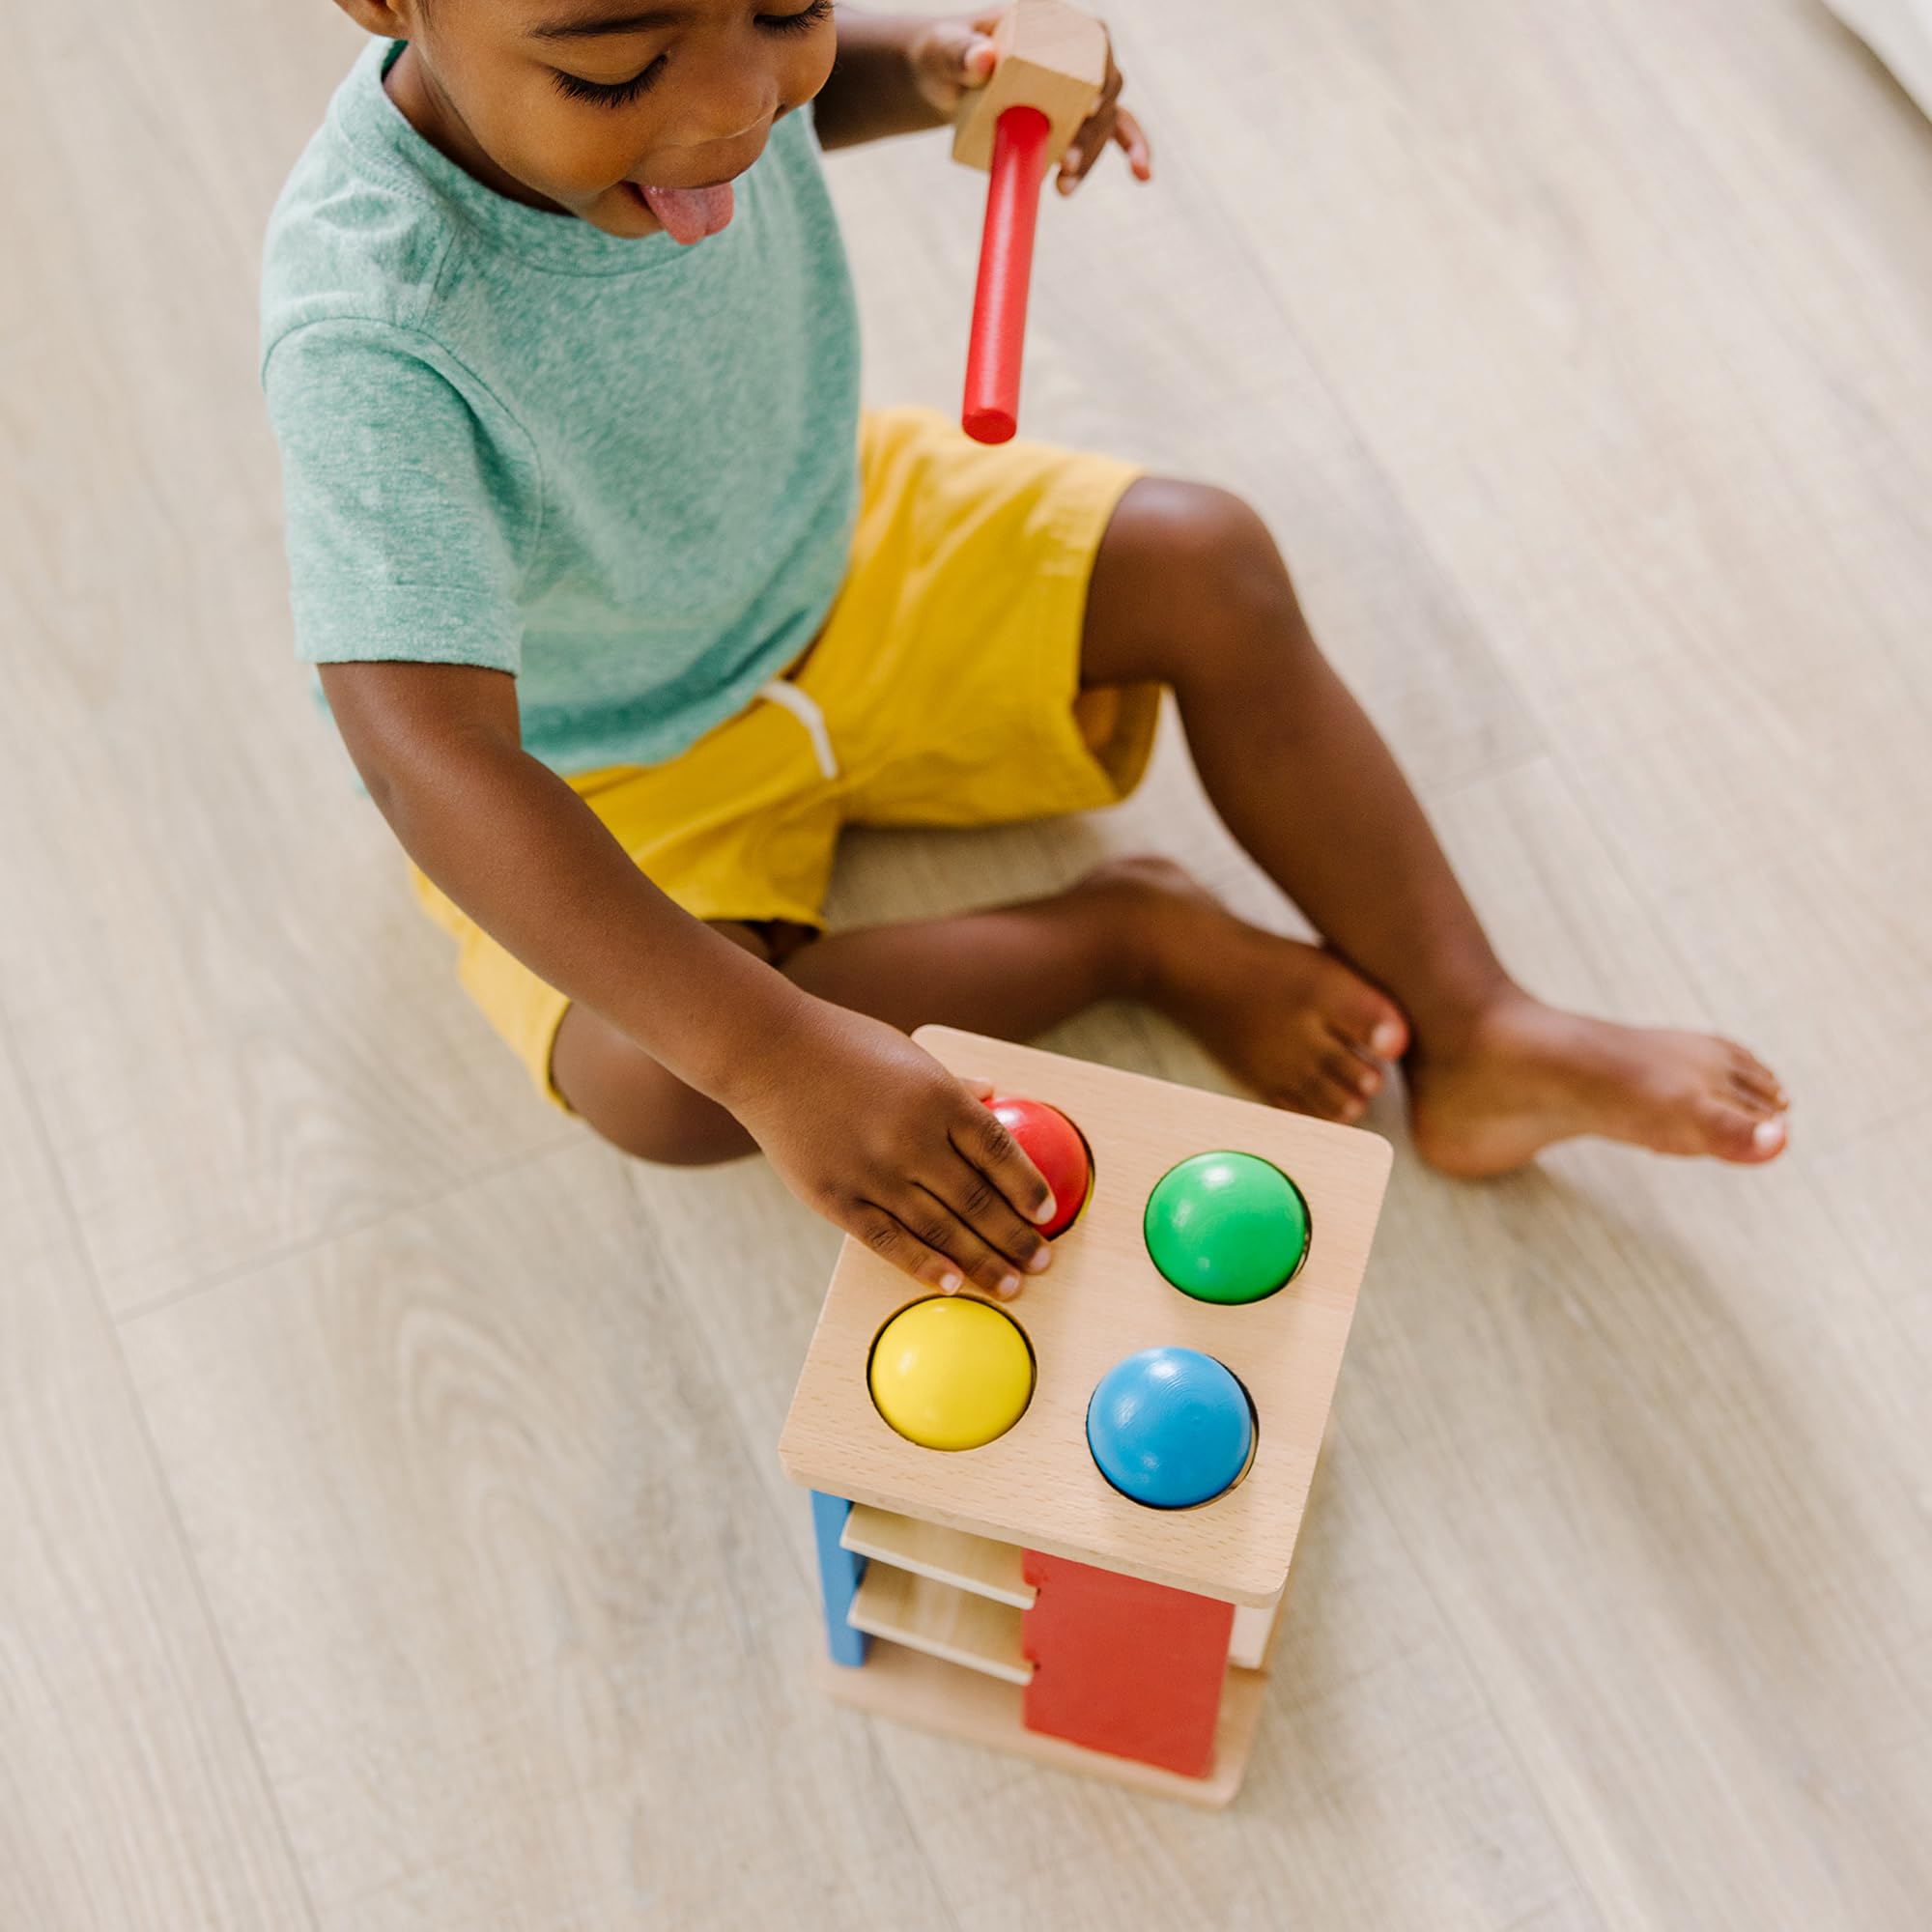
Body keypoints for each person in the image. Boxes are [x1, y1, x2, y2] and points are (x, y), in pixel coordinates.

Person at [261, 0, 1789, 1306]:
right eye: (614, 73)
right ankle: (1129, 933)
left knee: (1208, 559)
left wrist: (926, 67)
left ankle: (1479, 1029)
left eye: (785, 6)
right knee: (662, 1080)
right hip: (610, 750)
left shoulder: (688, 44)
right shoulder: (371, 324)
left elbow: (750, 67)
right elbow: (432, 756)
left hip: (837, 543)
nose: (734, 110)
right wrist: (775, 1053)